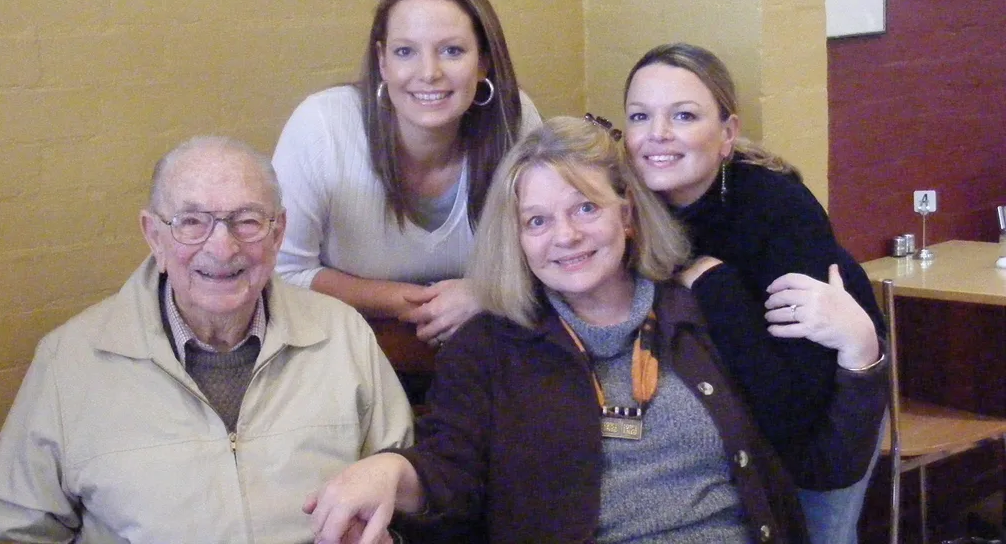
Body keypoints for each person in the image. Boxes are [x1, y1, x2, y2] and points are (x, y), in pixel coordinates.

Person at [304, 117, 885, 544]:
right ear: (517, 238)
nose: (566, 236)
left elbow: (822, 464)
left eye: (585, 208)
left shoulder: (703, 310)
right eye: (537, 220)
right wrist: (389, 470)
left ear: (627, 214)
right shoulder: (490, 346)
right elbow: (450, 476)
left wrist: (861, 354)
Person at [0, 136, 413, 544]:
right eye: (192, 222)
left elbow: (412, 496)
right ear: (154, 236)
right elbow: (12, 532)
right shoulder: (71, 361)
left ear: (278, 232)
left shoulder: (342, 335)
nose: (222, 248)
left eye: (247, 221)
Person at [623, 43, 887, 544]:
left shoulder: (777, 210)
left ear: (727, 135)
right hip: (732, 426)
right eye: (640, 116)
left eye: (683, 115)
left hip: (829, 415)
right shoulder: (627, 208)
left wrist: (712, 285)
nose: (657, 134)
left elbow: (793, 410)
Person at [272, 0, 540, 387]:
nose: (428, 72)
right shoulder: (322, 127)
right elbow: (282, 272)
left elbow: (553, 252)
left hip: (487, 358)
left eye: (452, 50)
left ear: (484, 62)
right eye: (405, 51)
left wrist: (484, 293)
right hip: (342, 358)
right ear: (381, 61)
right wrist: (406, 303)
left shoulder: (516, 121)